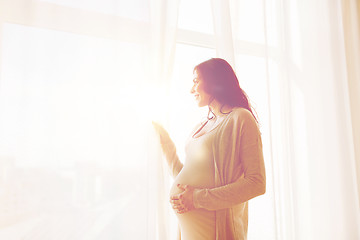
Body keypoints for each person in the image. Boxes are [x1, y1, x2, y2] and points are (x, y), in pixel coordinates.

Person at [153, 58, 266, 240]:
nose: (191, 89)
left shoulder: (240, 118)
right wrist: (165, 143)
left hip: (216, 232)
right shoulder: (201, 126)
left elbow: (257, 183)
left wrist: (197, 199)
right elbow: (187, 179)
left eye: (196, 81)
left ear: (214, 81)